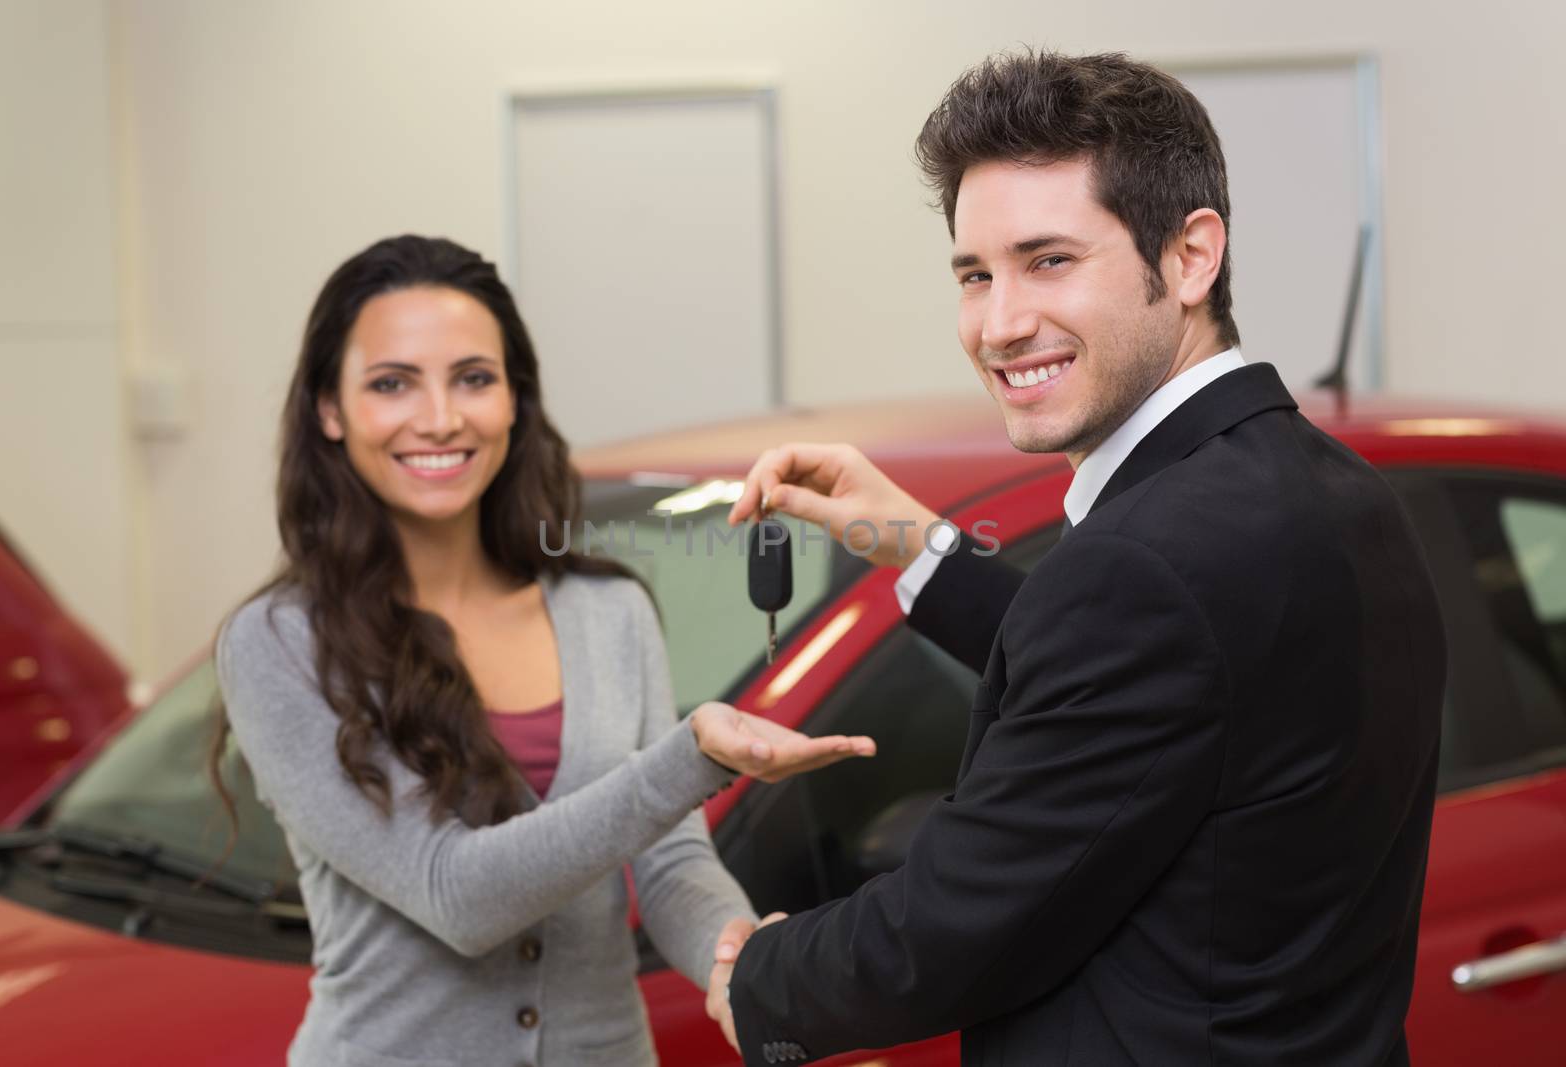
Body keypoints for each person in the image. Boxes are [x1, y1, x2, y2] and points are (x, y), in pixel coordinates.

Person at [706, 50, 1446, 1066]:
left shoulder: (1144, 567)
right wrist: (921, 549)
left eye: (1048, 259)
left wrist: (764, 974)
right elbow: (1171, 698)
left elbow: (955, 922)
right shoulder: (1337, 490)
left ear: (1190, 257)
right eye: (974, 273)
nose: (999, 324)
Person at [210, 234, 874, 1066]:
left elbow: (667, 857)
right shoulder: (281, 643)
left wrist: (735, 956)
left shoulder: (608, 609)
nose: (442, 417)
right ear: (329, 410)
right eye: (392, 383)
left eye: (474, 378)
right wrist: (692, 755)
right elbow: (457, 893)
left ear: (516, 400)